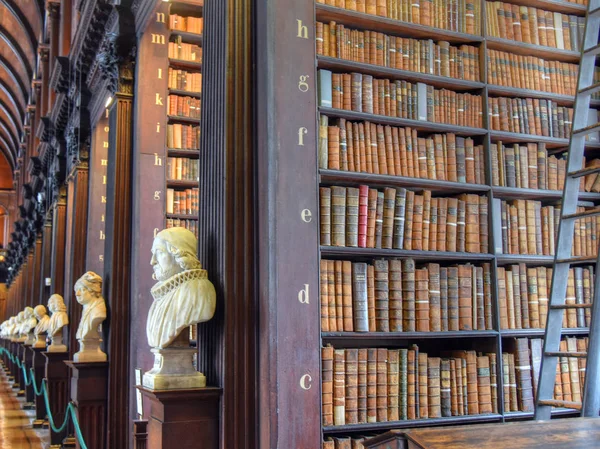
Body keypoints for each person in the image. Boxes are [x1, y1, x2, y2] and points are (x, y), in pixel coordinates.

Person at [146, 227, 216, 349]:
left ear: (179, 255)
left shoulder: (198, 291)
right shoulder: (162, 295)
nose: (152, 261)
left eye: (159, 252)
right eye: (153, 254)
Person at [74, 271, 107, 341]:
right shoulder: (86, 308)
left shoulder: (98, 311)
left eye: (82, 290)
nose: (77, 294)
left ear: (92, 291)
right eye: (76, 290)